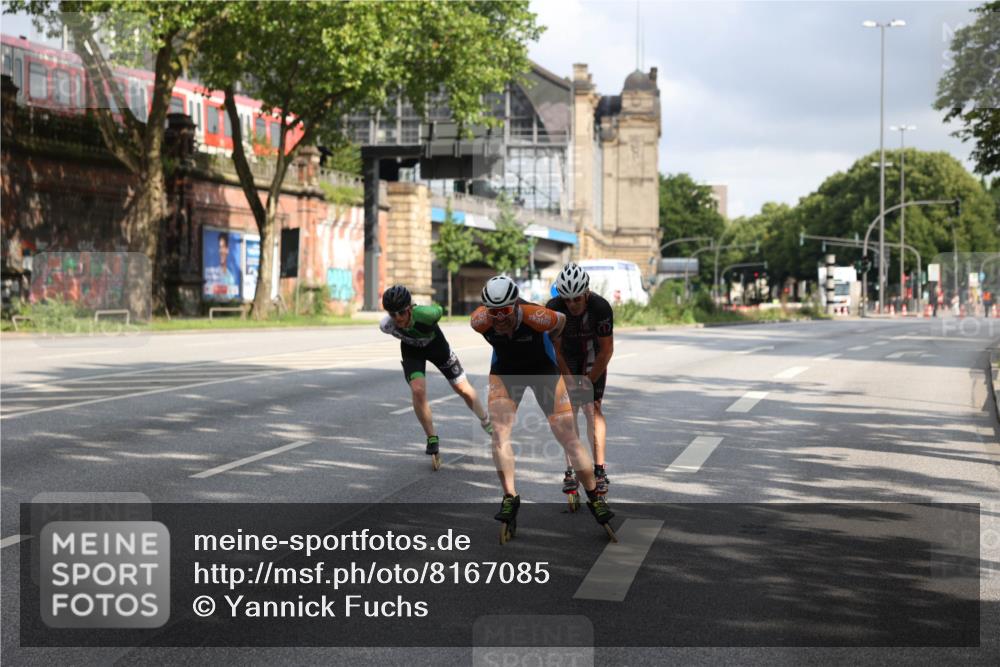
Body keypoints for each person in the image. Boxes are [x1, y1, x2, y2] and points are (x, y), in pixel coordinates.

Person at [471, 275, 614, 541]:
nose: (499, 318)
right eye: (493, 312)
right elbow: (491, 326)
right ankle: (509, 497)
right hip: (506, 371)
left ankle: (594, 496)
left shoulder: (537, 316)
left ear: (514, 306)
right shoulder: (480, 321)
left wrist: (550, 347)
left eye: (504, 311)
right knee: (499, 434)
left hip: (542, 369)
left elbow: (559, 325)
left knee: (568, 437)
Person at [379, 285, 492, 469]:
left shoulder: (427, 314)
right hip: (412, 350)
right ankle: (432, 438)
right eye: (393, 314)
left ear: (410, 308)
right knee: (418, 390)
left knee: (463, 389)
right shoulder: (386, 326)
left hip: (437, 348)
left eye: (401, 312)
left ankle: (486, 420)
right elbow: (395, 325)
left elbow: (439, 310)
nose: (398, 318)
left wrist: (423, 312)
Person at [546, 263, 615, 496]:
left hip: (593, 356)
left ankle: (599, 469)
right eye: (568, 300)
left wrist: (587, 381)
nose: (573, 304)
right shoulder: (553, 309)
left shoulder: (600, 307)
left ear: (586, 293)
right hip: (566, 356)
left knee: (592, 408)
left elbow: (606, 351)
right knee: (568, 410)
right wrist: (568, 377)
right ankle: (572, 468)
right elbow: (555, 349)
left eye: (577, 298)